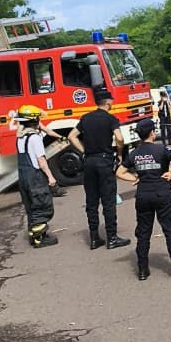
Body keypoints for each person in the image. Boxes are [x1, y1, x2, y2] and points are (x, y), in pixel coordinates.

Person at [115, 119, 171, 280]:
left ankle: (142, 269)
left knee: (143, 232)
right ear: (152, 133)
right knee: (170, 230)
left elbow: (119, 172)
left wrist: (134, 178)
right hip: (162, 193)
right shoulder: (161, 149)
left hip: (143, 195)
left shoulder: (134, 153)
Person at [68, 89, 131, 250]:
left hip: (89, 162)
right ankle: (111, 238)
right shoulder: (111, 119)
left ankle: (94, 238)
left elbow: (71, 136)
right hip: (104, 161)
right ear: (108, 102)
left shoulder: (86, 118)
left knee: (92, 202)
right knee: (108, 201)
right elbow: (120, 138)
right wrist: (119, 153)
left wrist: (83, 152)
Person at [15, 105, 59, 248]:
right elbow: (41, 160)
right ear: (35, 120)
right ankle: (40, 239)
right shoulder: (34, 138)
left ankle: (34, 235)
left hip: (23, 177)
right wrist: (51, 177)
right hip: (35, 178)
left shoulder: (20, 137)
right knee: (42, 206)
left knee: (31, 207)